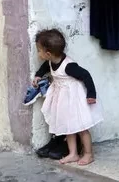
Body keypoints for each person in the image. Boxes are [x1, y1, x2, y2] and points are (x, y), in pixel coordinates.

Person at [33, 29, 103, 165]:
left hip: (74, 99)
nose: (38, 53)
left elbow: (86, 75)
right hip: (63, 100)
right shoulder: (50, 61)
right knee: (68, 127)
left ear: (48, 53)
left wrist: (91, 95)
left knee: (82, 128)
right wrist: (38, 75)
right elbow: (45, 68)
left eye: (38, 50)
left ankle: (88, 154)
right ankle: (73, 154)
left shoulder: (69, 66)